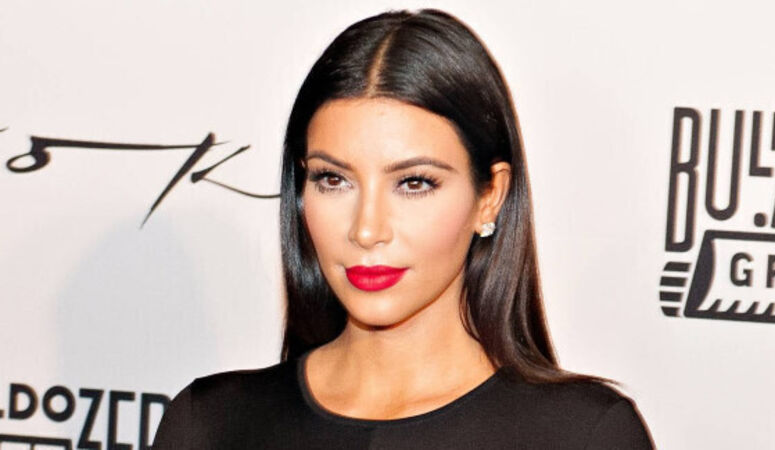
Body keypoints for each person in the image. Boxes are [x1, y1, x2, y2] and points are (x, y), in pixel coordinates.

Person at [152, 8, 654, 449]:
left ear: (490, 196)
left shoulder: (582, 435)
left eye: (414, 183)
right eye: (333, 179)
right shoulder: (209, 424)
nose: (367, 229)